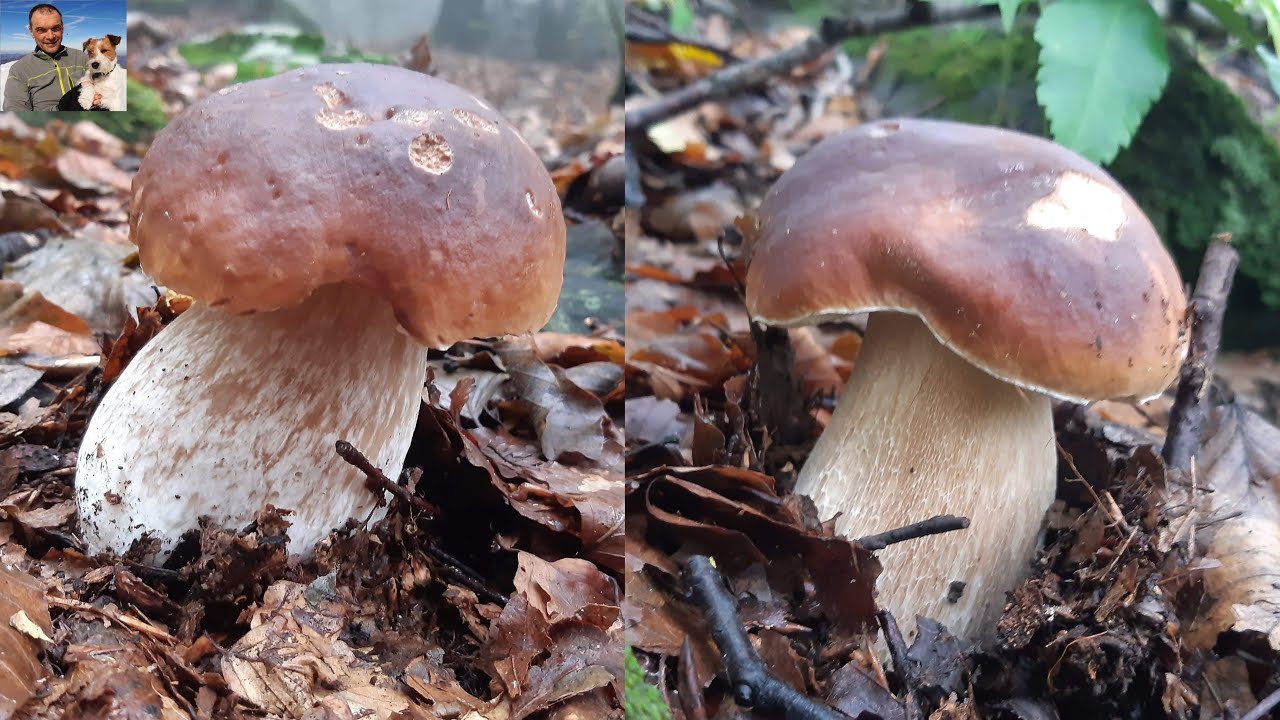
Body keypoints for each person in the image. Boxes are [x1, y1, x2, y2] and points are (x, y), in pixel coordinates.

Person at [2, 4, 90, 111]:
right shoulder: (19, 71)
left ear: (62, 27)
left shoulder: (83, 58)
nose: (50, 36)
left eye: (55, 28)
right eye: (41, 30)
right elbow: (15, 116)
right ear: (31, 32)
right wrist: (61, 108)